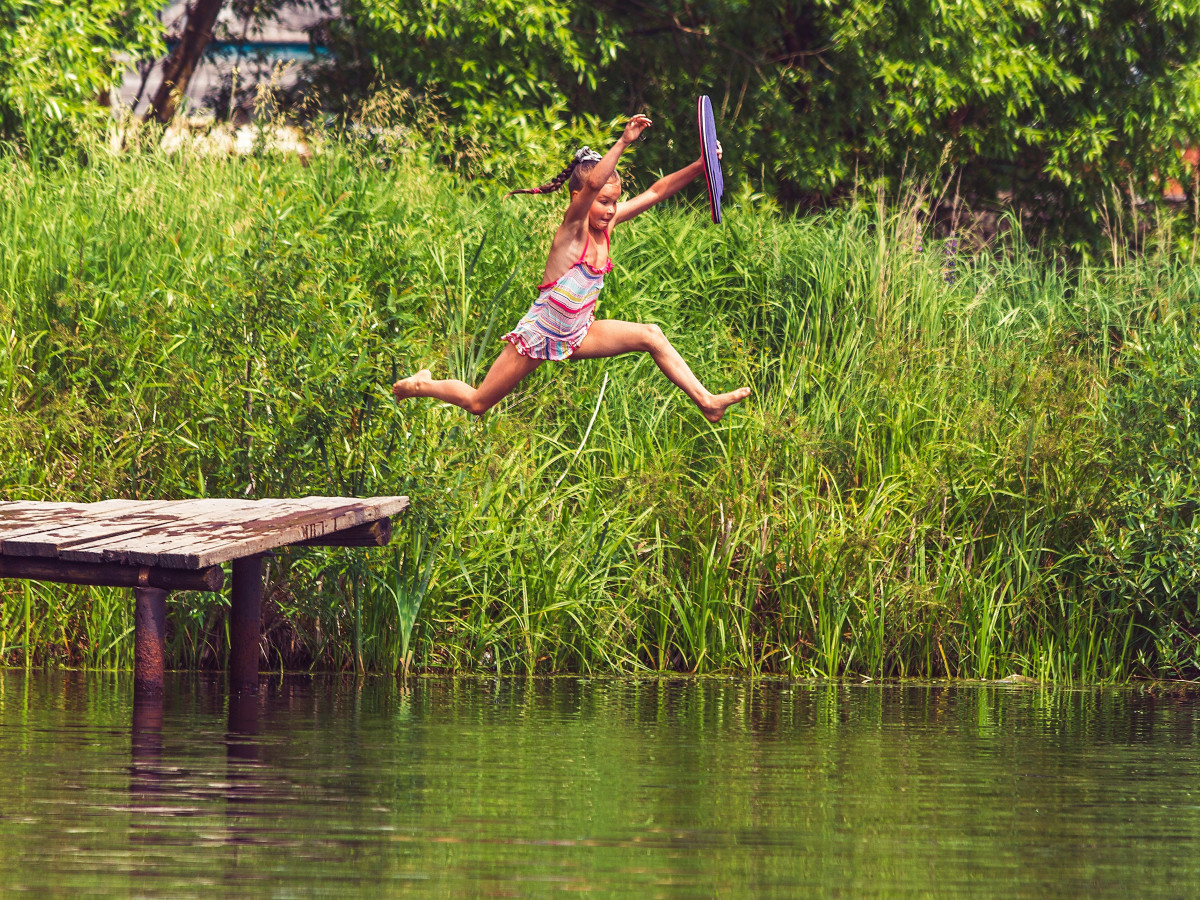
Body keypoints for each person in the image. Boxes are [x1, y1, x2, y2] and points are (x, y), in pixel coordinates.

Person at [392, 114, 751, 423]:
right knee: (477, 402)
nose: (610, 210)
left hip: (578, 334)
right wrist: (624, 142)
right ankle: (421, 384)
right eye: (603, 203)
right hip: (541, 335)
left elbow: (657, 192)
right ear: (578, 200)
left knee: (651, 335)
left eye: (614, 202)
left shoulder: (606, 227)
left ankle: (706, 401)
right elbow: (594, 183)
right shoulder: (572, 230)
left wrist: (701, 165)